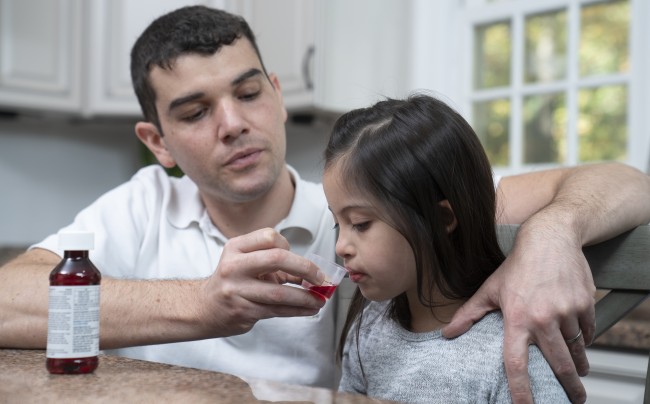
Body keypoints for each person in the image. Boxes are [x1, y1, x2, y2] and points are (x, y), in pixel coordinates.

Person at [0, 5, 648, 402]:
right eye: (195, 112)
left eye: (249, 92)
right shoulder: (137, 206)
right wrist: (205, 302)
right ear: (156, 141)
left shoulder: (370, 204)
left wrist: (553, 231)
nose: (233, 123)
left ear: (278, 94)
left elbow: (629, 184)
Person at [326, 94, 570, 402]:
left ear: (442, 218)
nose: (341, 246)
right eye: (338, 224)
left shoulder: (512, 351)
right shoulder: (369, 330)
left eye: (360, 223)